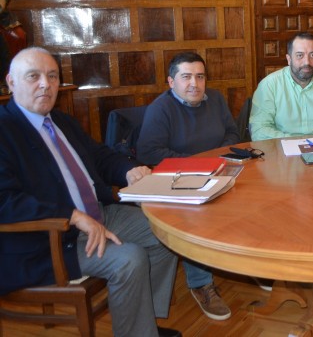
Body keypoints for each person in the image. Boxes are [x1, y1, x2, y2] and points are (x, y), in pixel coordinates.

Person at [0, 47, 181, 337]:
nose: (45, 84)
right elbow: (4, 201)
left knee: (168, 230)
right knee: (130, 259)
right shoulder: (5, 129)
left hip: (99, 214)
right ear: (11, 82)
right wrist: (70, 215)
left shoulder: (60, 121)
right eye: (33, 76)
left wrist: (127, 170)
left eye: (52, 76)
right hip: (50, 240)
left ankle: (145, 323)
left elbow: (100, 156)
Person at [137, 51, 238, 321]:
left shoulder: (215, 99)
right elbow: (149, 152)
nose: (194, 83)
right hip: (177, 180)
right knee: (196, 218)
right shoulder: (161, 109)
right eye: (186, 77)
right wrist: (199, 163)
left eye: (200, 76)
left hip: (216, 170)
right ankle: (200, 283)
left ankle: (246, 264)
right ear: (172, 82)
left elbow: (233, 133)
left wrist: (217, 161)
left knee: (251, 199)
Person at [249, 32, 313, 141]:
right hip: (281, 150)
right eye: (299, 55)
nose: (307, 62)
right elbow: (259, 129)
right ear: (289, 59)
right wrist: (296, 143)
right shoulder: (269, 85)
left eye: (312, 55)